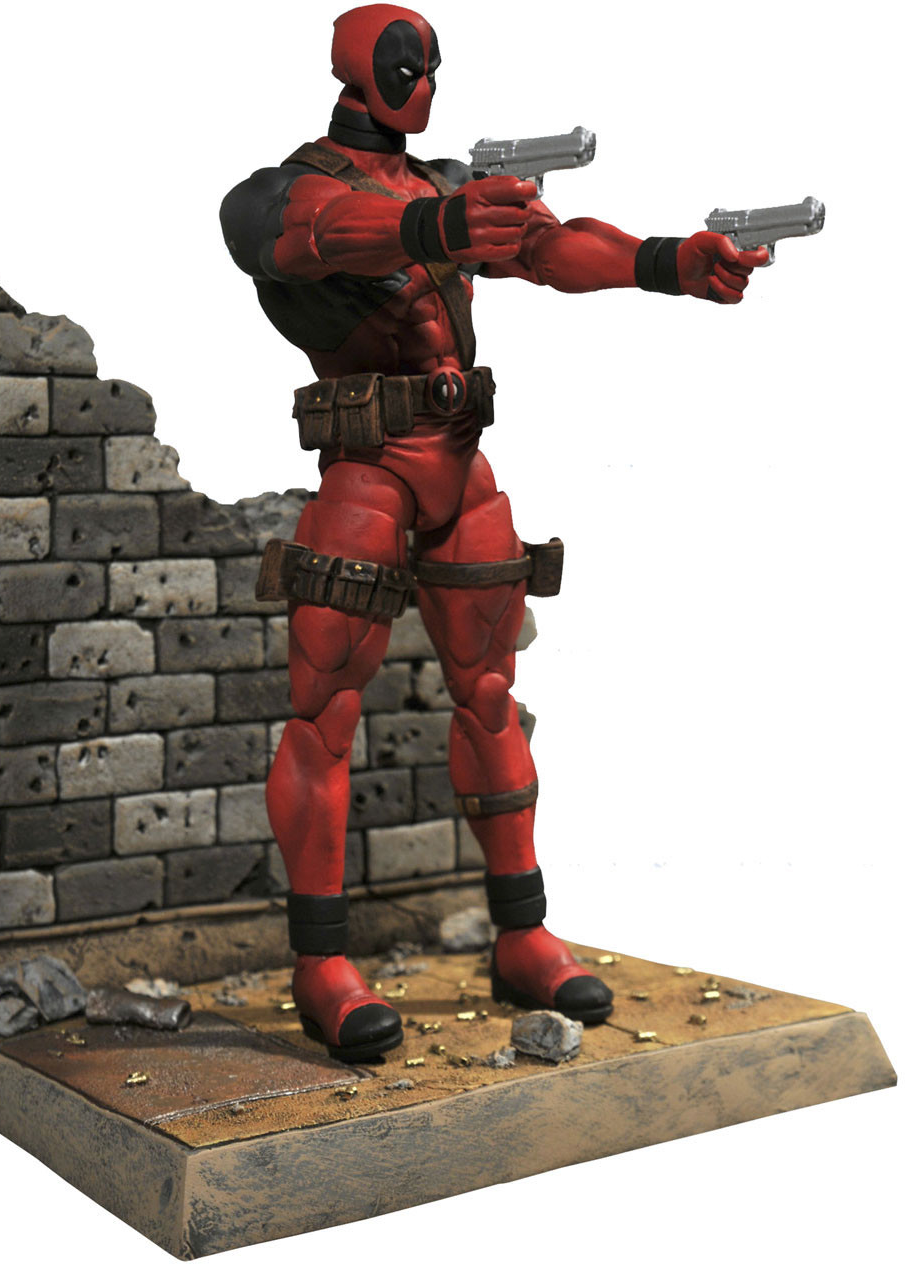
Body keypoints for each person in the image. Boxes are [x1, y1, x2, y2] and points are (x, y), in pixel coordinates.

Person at [220, 3, 766, 1061]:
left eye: (431, 64)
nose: (420, 82)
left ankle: (524, 933)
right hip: (369, 465)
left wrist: (670, 261)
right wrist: (440, 229)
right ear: (356, 71)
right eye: (403, 65)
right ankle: (321, 962)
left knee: (489, 695)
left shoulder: (444, 186)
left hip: (461, 462)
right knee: (324, 710)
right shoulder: (285, 189)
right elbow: (311, 236)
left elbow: (553, 248)